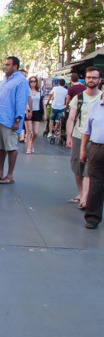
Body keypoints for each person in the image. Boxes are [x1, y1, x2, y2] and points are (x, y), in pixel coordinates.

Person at [0, 56, 30, 185]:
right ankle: (0, 173)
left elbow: (21, 101)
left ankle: (10, 175)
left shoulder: (21, 81)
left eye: (7, 65)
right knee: (0, 147)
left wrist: (17, 120)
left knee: (11, 147)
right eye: (5, 64)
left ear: (15, 66)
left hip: (10, 120)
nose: (5, 67)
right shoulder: (4, 81)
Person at [66, 67, 102, 210]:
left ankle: (85, 198)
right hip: (78, 136)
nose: (91, 80)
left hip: (96, 139)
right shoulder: (79, 98)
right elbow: (71, 119)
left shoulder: (101, 97)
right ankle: (81, 193)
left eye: (94, 77)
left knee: (89, 170)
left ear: (99, 80)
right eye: (88, 77)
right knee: (77, 167)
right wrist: (68, 136)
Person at [80, 90, 104, 229]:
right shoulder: (95, 107)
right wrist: (83, 149)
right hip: (97, 148)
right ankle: (92, 218)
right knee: (95, 184)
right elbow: (86, 131)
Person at [25, 77, 46, 154]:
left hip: (37, 112)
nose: (33, 83)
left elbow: (43, 103)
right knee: (29, 131)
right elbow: (24, 102)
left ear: (37, 82)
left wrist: (45, 114)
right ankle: (28, 148)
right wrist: (26, 111)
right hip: (28, 111)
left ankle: (30, 142)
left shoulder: (40, 92)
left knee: (36, 132)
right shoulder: (27, 91)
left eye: (34, 81)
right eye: (31, 81)